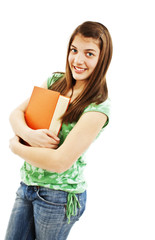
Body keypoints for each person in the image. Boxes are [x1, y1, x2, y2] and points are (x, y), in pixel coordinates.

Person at [5, 21, 113, 240]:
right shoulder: (56, 81)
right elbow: (16, 113)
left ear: (103, 59)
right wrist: (29, 135)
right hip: (27, 185)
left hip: (59, 196)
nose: (78, 60)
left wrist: (16, 147)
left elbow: (59, 162)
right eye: (74, 50)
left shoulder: (98, 107)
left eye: (89, 53)